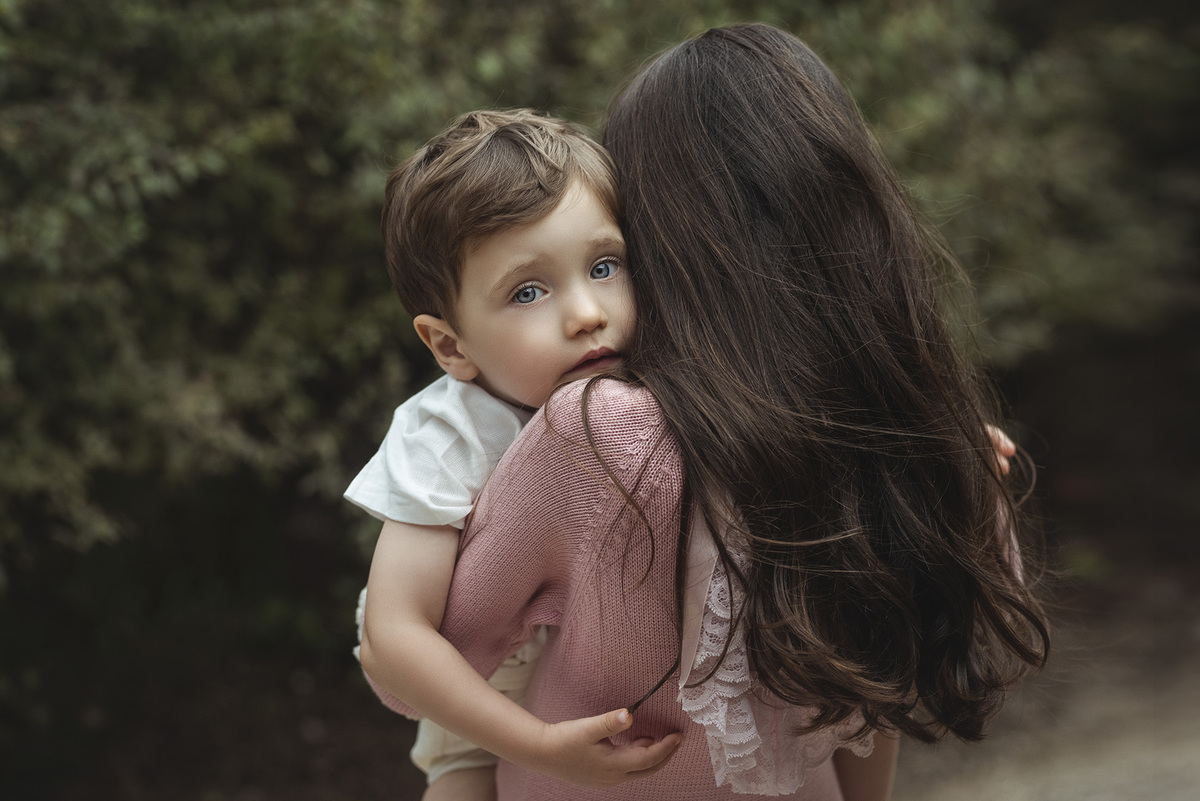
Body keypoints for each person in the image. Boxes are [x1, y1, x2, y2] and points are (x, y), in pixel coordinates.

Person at [410, 22, 1050, 801]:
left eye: (610, 261)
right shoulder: (909, 450)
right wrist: (929, 451)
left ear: (660, 237)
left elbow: (433, 656)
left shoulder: (601, 432)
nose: (588, 309)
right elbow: (889, 673)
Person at [349, 108, 682, 801]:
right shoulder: (447, 433)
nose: (587, 311)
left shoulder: (647, 380)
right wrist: (533, 745)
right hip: (478, 688)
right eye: (528, 291)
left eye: (604, 265)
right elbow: (395, 632)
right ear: (449, 346)